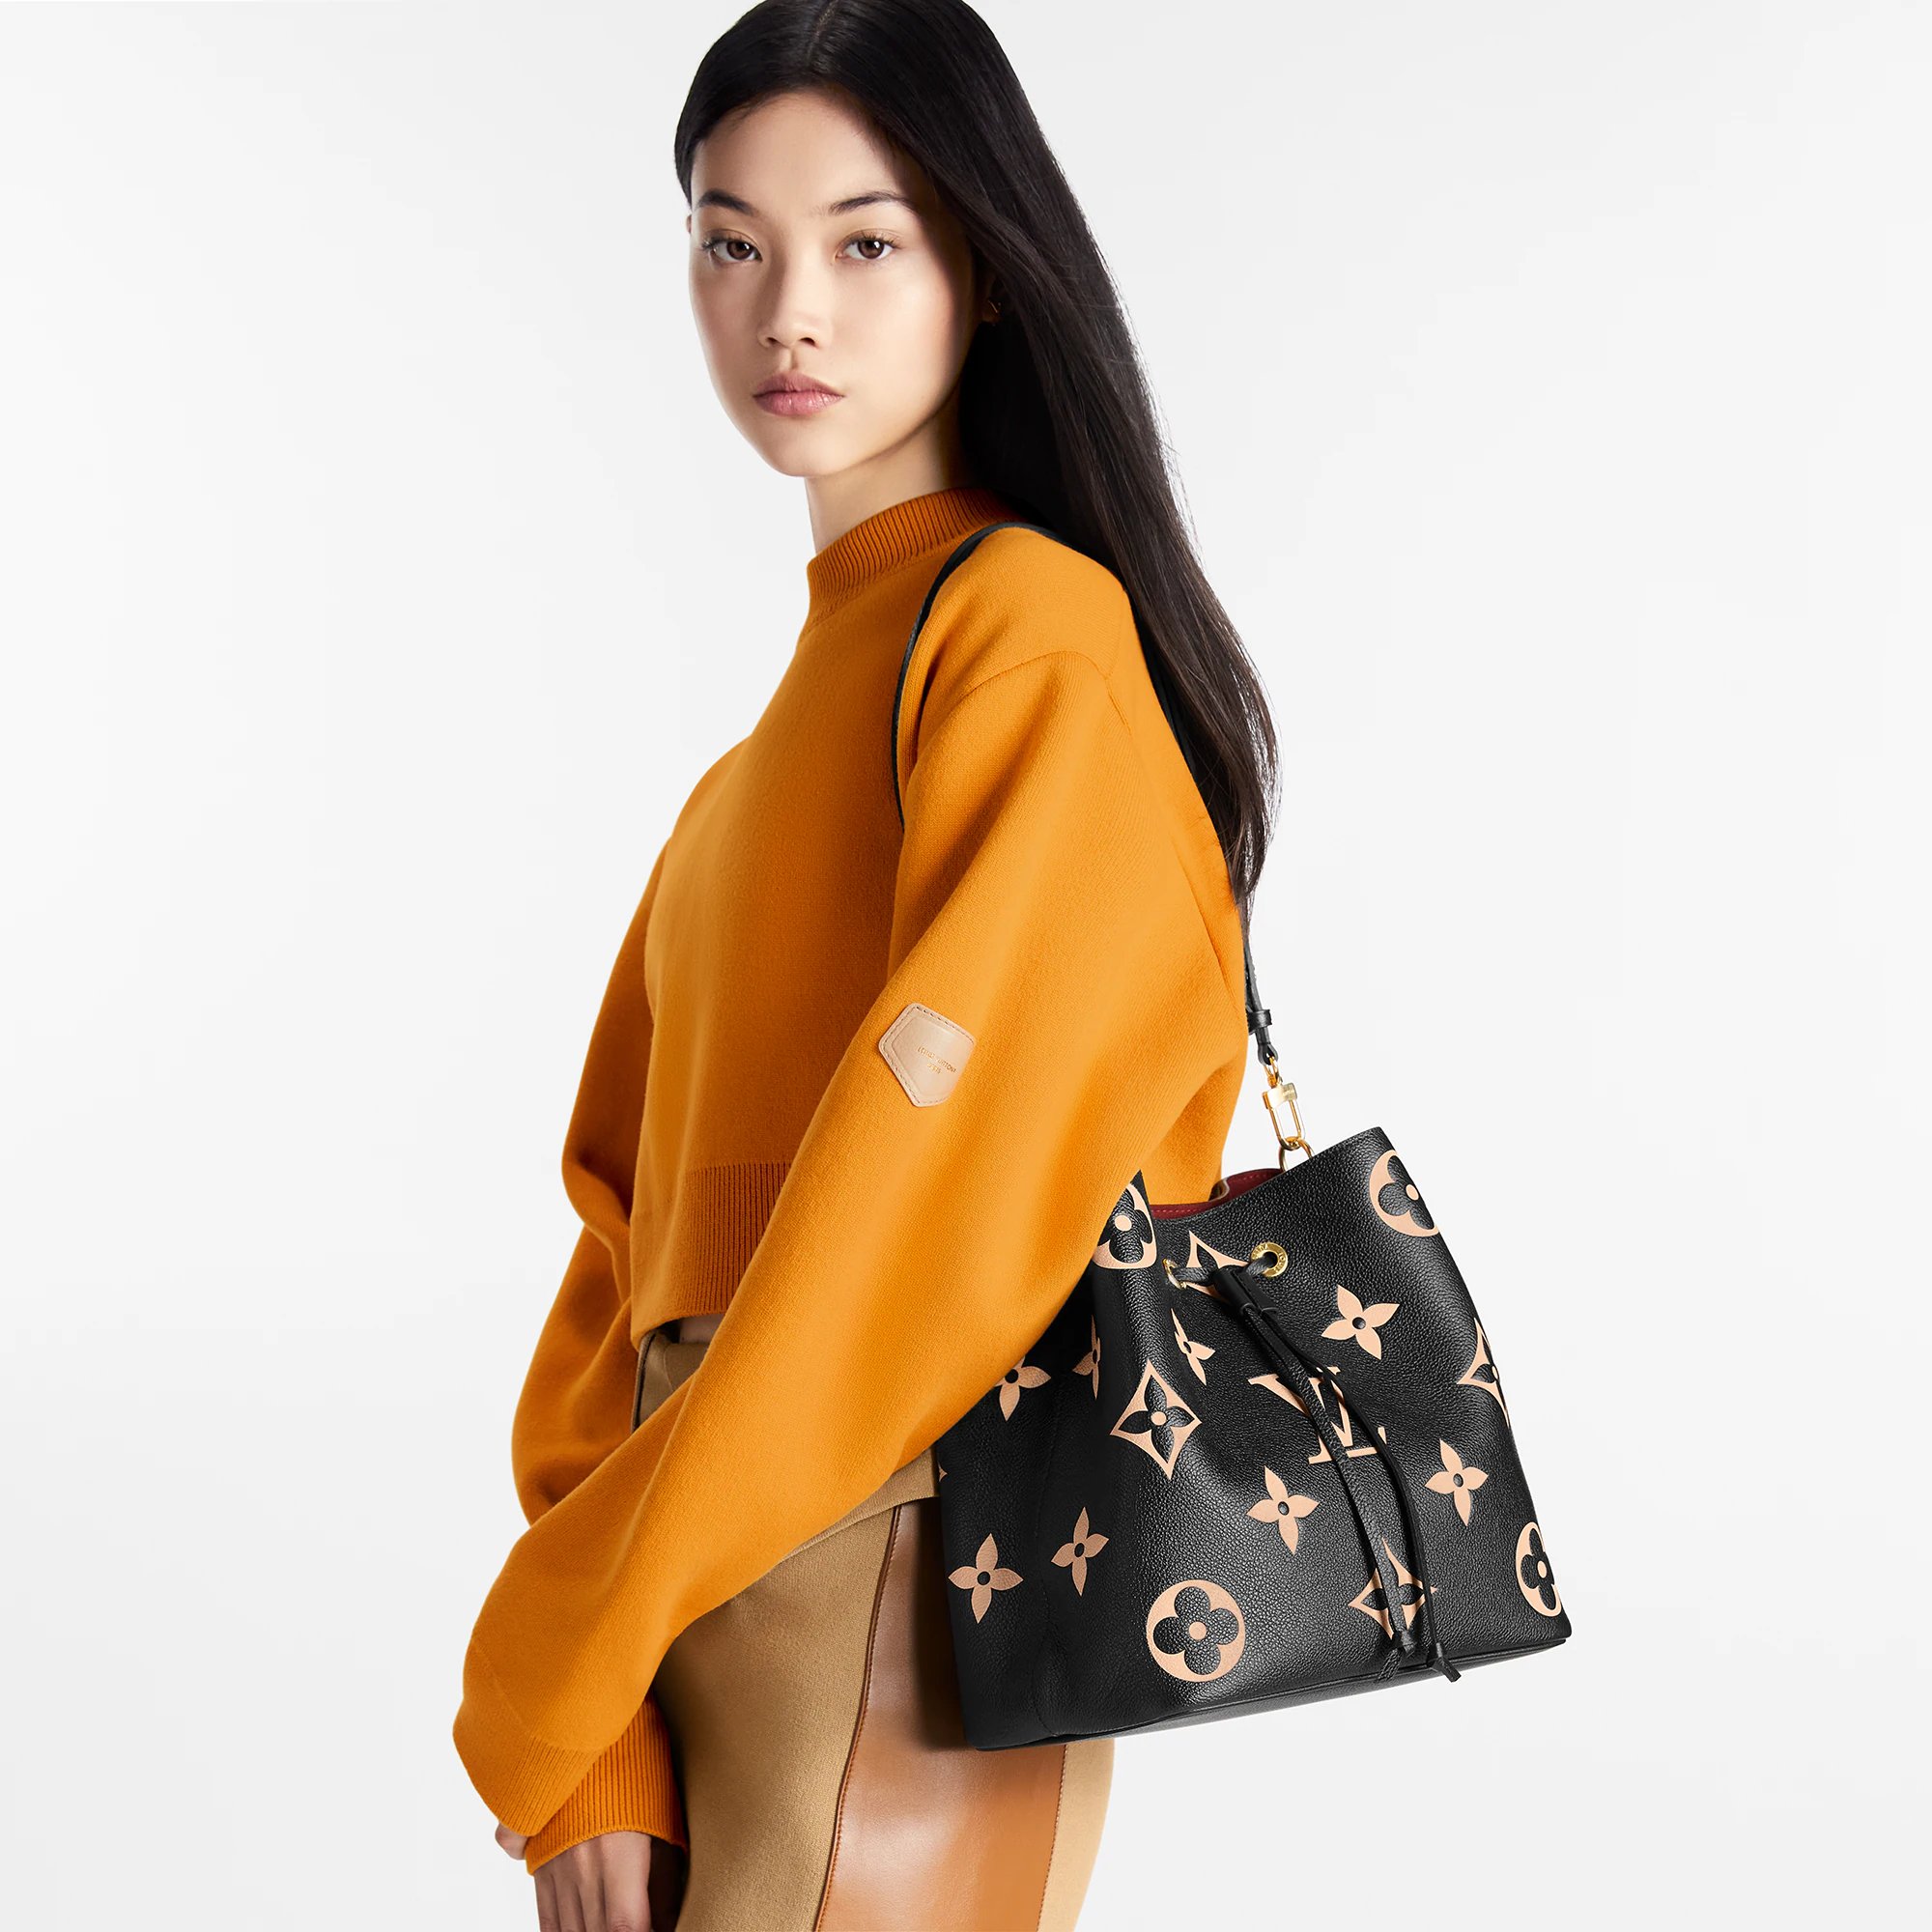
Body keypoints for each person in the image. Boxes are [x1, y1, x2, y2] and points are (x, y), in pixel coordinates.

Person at [451, 2, 1279, 1925]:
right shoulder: (744, 780)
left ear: (983, 269)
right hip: (692, 1574)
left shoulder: (1031, 641)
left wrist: (571, 1651)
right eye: (731, 243)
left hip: (901, 1565)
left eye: (866, 240)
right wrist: (601, 1711)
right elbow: (619, 1257)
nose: (788, 312)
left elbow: (938, 1224)